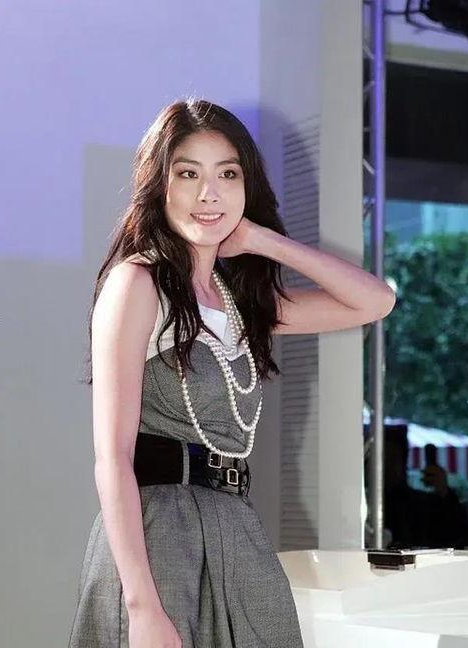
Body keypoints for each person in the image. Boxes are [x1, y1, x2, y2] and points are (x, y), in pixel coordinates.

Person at [67, 97, 396, 648]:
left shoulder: (237, 301)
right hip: (159, 534)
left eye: (227, 174)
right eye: (187, 174)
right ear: (159, 185)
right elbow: (113, 457)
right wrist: (142, 605)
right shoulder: (138, 283)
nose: (208, 193)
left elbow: (375, 301)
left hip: (236, 529)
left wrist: (261, 239)